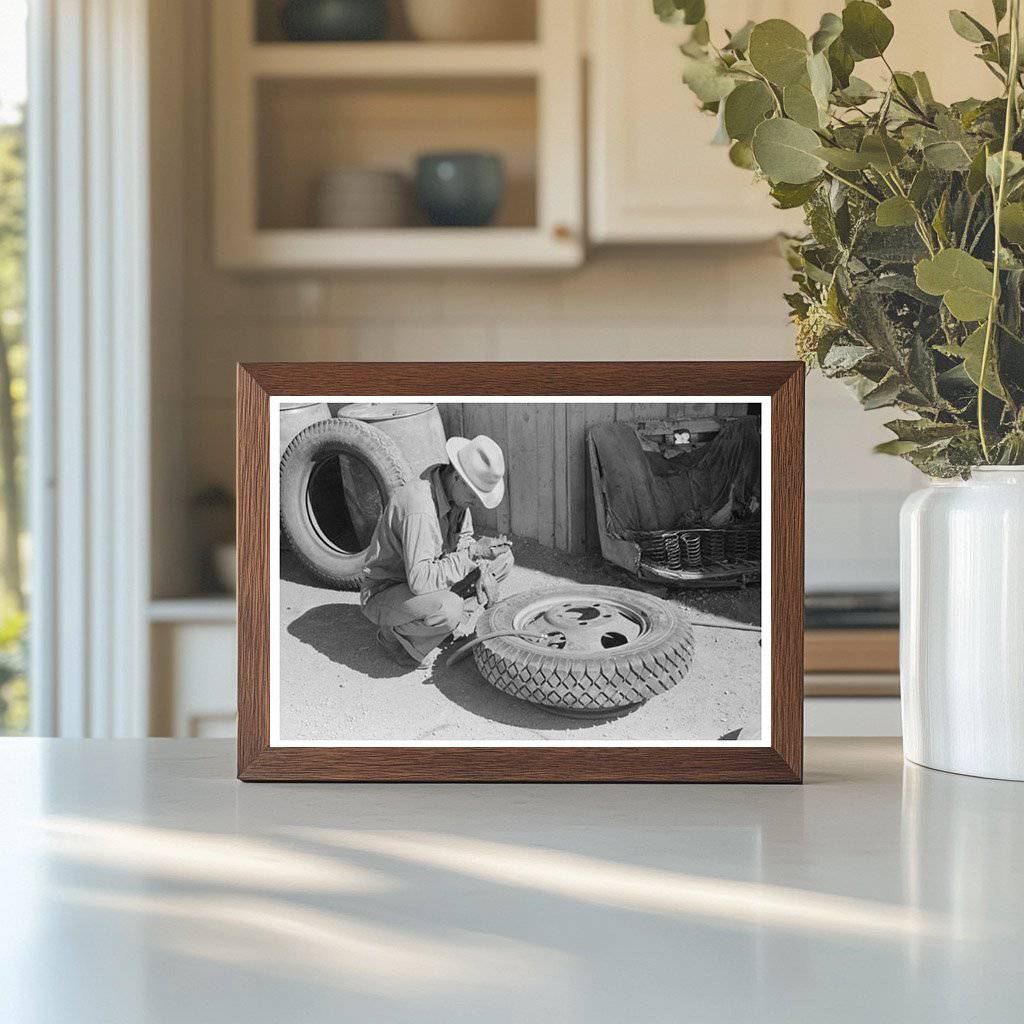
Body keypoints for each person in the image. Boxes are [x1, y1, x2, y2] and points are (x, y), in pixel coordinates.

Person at [359, 434, 514, 666]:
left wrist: (482, 567)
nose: (476, 502)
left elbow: (464, 539)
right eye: (474, 495)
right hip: (388, 590)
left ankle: (434, 628)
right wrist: (473, 554)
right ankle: (396, 637)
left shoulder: (454, 493)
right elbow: (420, 581)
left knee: (502, 559)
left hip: (425, 578)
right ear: (457, 477)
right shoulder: (421, 509)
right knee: (449, 608)